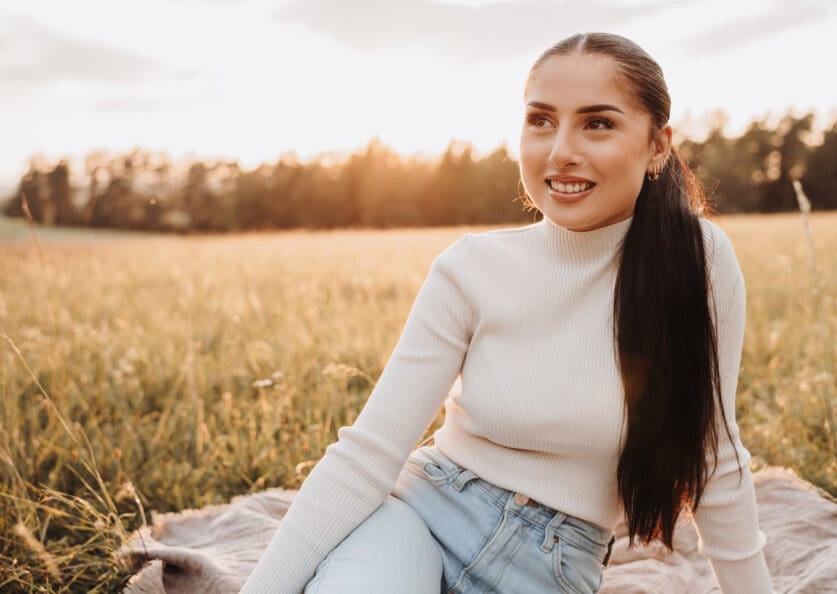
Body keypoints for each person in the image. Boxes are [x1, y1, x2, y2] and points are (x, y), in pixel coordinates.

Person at [240, 32, 773, 593]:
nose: (560, 150)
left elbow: (715, 456)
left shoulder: (697, 261)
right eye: (541, 121)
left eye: (598, 123)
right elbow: (368, 454)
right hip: (415, 521)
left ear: (658, 145)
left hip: (553, 565)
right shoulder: (471, 267)